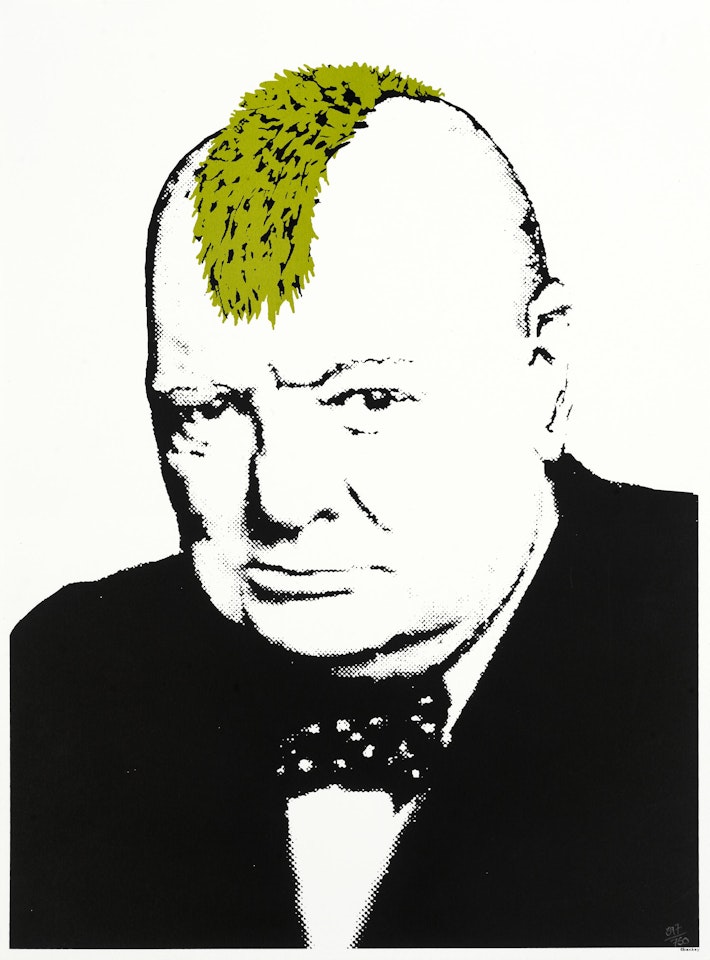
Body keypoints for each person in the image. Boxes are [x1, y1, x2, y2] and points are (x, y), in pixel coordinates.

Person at [10, 63, 698, 949]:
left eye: (367, 402)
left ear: (543, 376)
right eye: (209, 411)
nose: (282, 500)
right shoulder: (61, 678)